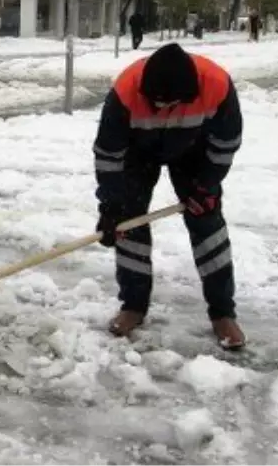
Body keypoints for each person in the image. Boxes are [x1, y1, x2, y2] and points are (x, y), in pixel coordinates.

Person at [92, 43, 245, 350]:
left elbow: (226, 143)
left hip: (193, 151)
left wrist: (206, 187)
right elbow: (108, 155)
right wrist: (110, 206)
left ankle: (223, 314)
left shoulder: (216, 84)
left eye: (168, 103)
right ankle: (133, 306)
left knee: (208, 226)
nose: (160, 109)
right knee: (129, 224)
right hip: (138, 151)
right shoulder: (125, 91)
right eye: (154, 103)